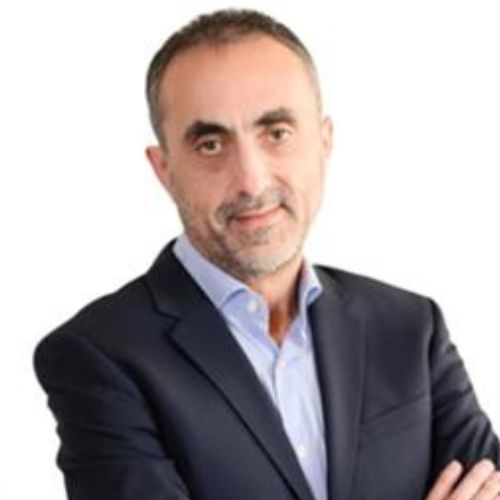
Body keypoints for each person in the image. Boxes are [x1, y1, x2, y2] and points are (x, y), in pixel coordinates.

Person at [34, 8, 500, 500]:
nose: (252, 181)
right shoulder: (100, 356)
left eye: (277, 133)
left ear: (324, 141)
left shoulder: (410, 326)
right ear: (164, 168)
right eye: (210, 145)